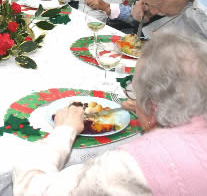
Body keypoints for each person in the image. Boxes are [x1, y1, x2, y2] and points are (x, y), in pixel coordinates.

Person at [13, 29, 207, 194]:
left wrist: (64, 130)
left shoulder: (132, 166)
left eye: (134, 91)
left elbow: (33, 189)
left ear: (150, 107)